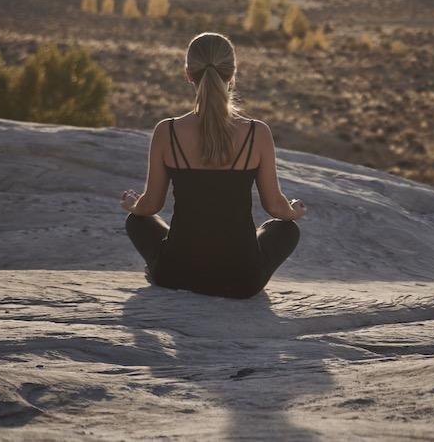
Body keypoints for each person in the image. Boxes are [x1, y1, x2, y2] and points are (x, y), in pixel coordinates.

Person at [121, 32, 305, 298]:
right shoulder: (257, 133)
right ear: (232, 75)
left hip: (175, 273)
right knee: (286, 230)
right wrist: (295, 211)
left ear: (188, 74)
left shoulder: (167, 131)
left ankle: (161, 267)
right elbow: (276, 208)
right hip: (242, 281)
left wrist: (133, 205)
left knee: (136, 222)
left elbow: (151, 206)